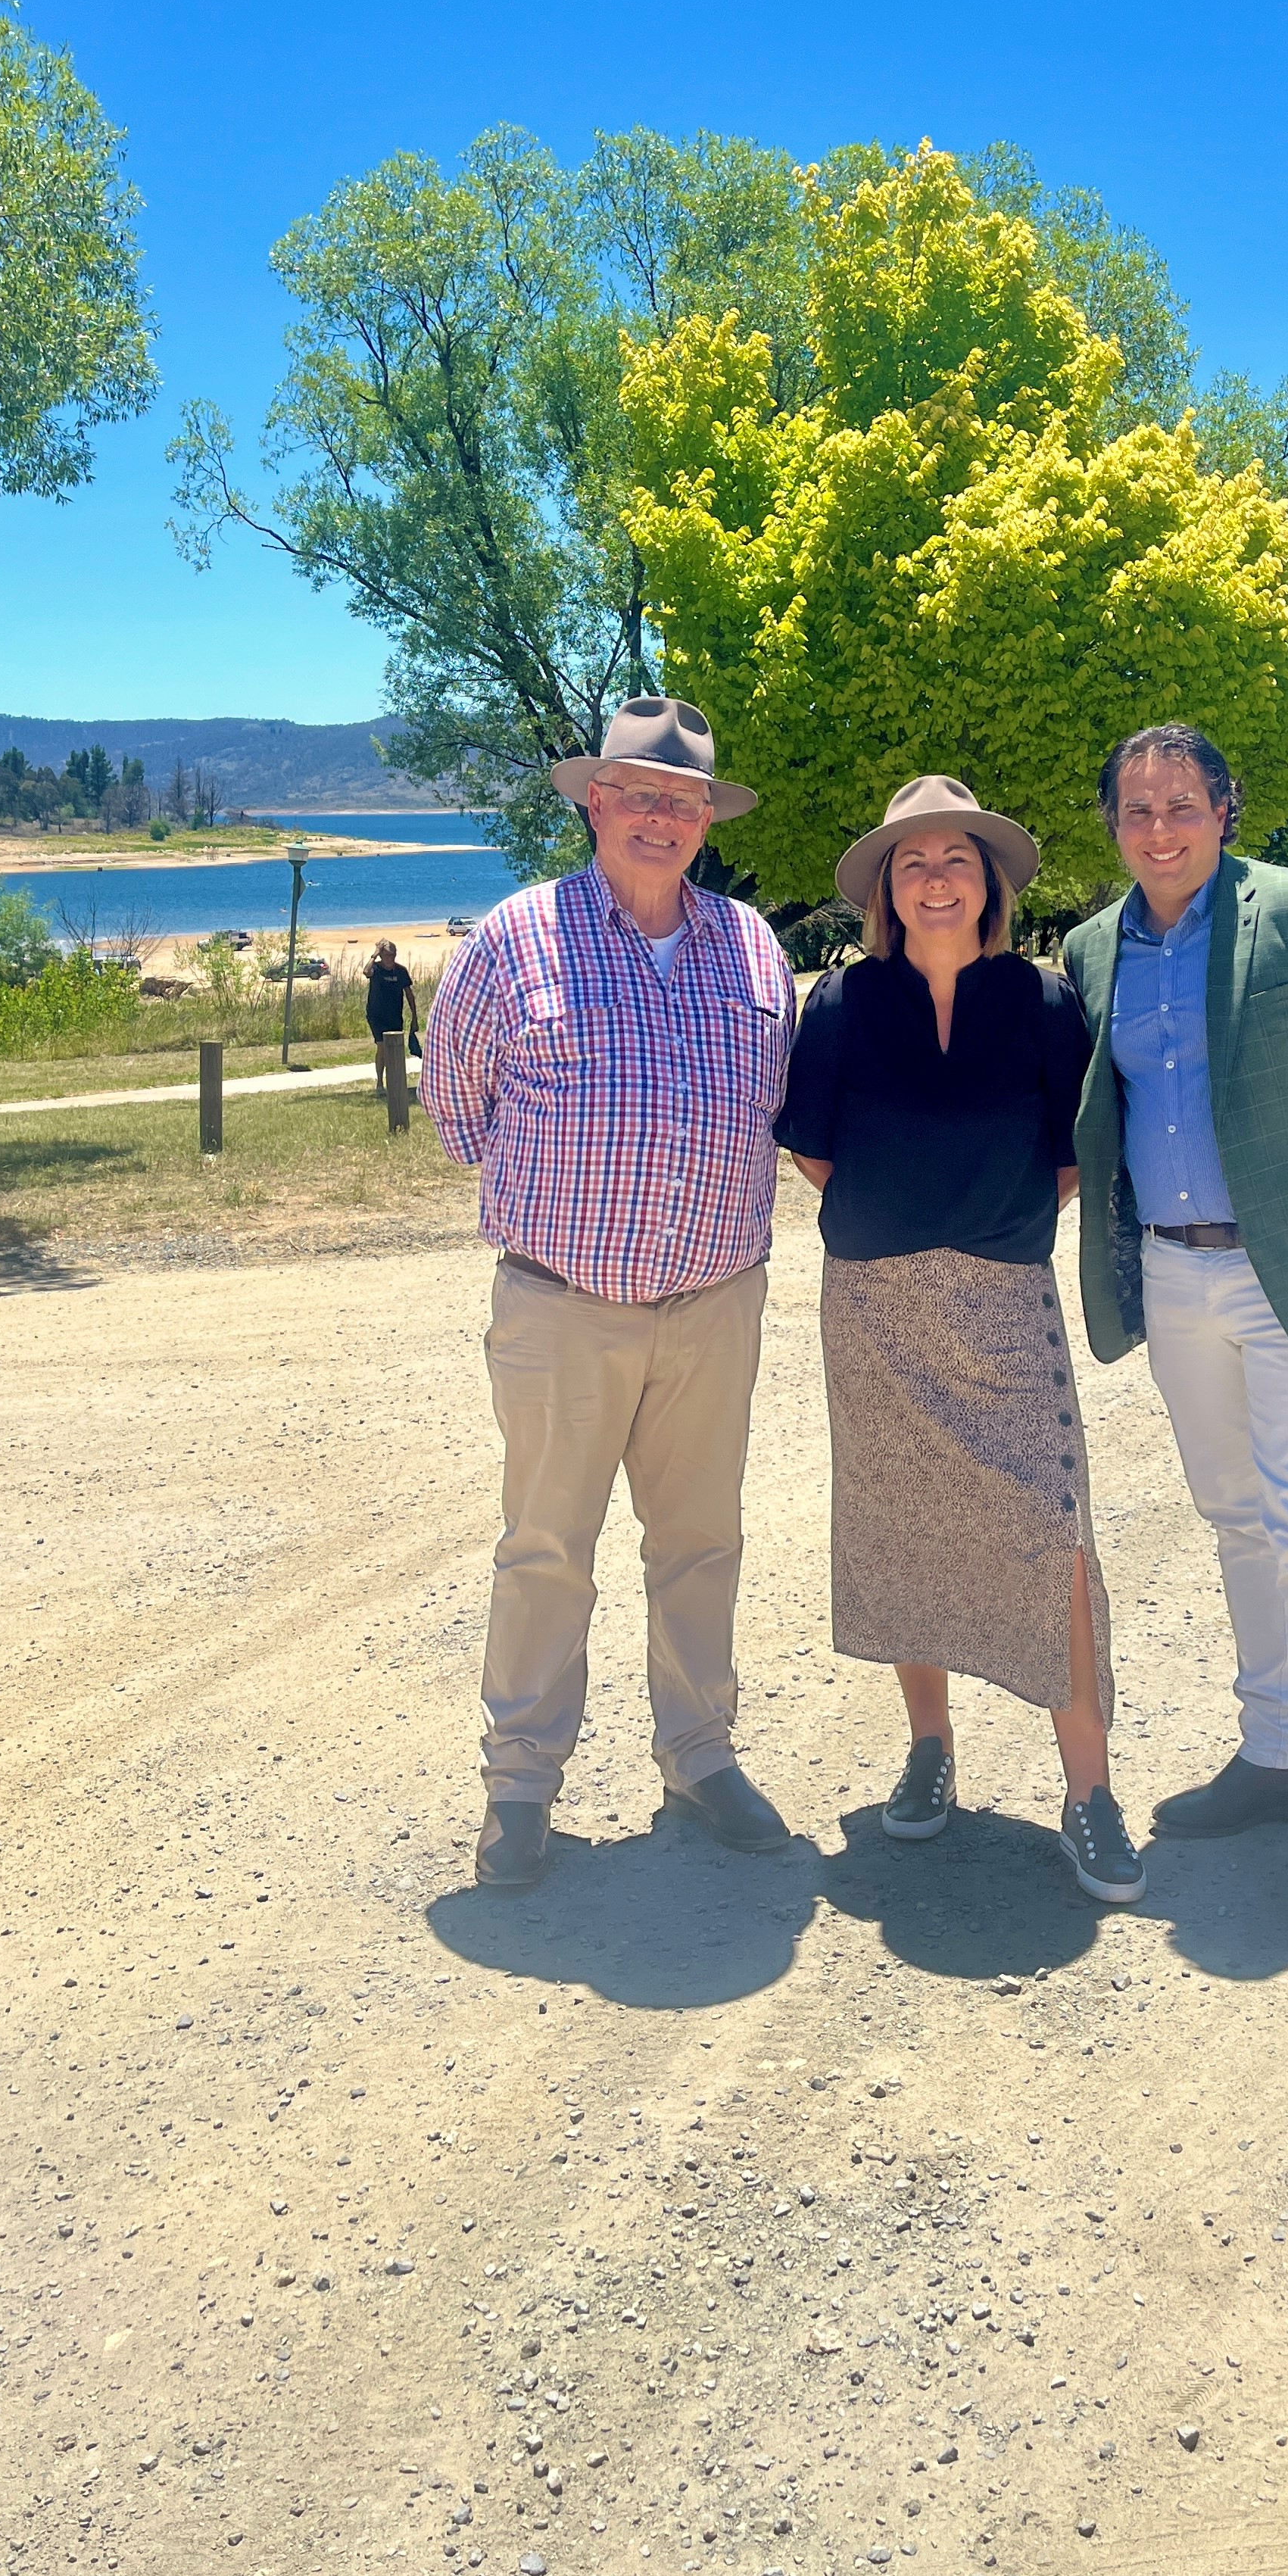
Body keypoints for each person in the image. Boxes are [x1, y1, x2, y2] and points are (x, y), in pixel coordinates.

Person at [1062, 724, 1288, 1951]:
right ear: (1111, 824)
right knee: (1233, 1517)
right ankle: (1272, 1750)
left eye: (1179, 803)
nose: (1157, 828)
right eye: (1134, 808)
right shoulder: (1091, 947)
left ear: (1224, 806)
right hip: (1171, 1279)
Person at [422, 697, 797, 1888]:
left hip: (716, 1306)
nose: (658, 818)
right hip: (562, 1306)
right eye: (636, 794)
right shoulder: (515, 937)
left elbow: (781, 1108)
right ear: (594, 802)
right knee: (546, 1547)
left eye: (681, 802)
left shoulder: (752, 948)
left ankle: (698, 1756)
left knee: (700, 1544)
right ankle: (521, 1784)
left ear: (704, 821)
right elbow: (457, 1105)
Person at [778, 775, 1144, 1904]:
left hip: (1001, 1301)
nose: (936, 879)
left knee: (1052, 1539)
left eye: (956, 859)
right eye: (913, 862)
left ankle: (1090, 1794)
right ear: (887, 889)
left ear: (989, 881)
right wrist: (914, 1218)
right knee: (902, 1534)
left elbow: (1076, 1151)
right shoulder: (839, 1004)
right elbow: (817, 1150)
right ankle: (931, 1749)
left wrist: (984, 1218)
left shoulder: (1041, 1003)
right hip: (875, 1309)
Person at [363, 939, 419, 1094]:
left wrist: (414, 1017)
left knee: (395, 1048)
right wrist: (374, 955)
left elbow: (409, 994)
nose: (390, 958)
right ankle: (380, 1083)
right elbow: (366, 972)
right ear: (382, 955)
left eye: (393, 955)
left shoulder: (401, 971)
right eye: (387, 955)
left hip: (395, 1015)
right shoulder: (376, 968)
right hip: (376, 1015)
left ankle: (395, 1082)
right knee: (382, 1046)